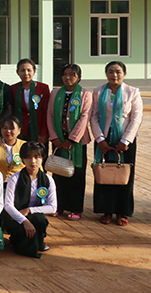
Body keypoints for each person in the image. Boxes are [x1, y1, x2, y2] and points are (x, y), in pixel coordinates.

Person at [90, 61, 142, 226]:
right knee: (104, 175)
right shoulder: (98, 92)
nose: (114, 75)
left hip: (125, 142)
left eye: (118, 72)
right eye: (111, 72)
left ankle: (122, 212)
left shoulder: (132, 92)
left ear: (124, 74)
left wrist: (125, 140)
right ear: (106, 74)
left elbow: (136, 118)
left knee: (124, 176)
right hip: (104, 142)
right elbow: (94, 116)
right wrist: (100, 139)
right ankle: (106, 211)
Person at [47, 63, 92, 220]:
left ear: (78, 77)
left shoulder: (85, 94)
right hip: (58, 141)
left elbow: (84, 117)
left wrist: (72, 139)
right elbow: (50, 115)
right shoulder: (55, 93)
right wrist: (54, 137)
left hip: (77, 143)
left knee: (76, 175)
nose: (68, 77)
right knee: (59, 173)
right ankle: (58, 206)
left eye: (72, 74)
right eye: (65, 74)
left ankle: (75, 208)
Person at [4, 141, 57, 258]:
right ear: (22, 159)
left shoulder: (48, 180)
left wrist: (29, 210)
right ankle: (22, 242)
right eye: (28, 157)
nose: (33, 161)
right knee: (20, 232)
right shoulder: (14, 179)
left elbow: (53, 207)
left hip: (33, 214)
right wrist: (25, 221)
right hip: (16, 216)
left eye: (37, 157)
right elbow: (8, 205)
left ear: (42, 158)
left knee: (39, 219)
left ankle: (37, 241)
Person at [11, 58, 51, 146]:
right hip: (20, 129)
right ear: (17, 72)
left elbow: (46, 112)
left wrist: (44, 133)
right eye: (22, 70)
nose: (26, 73)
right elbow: (12, 111)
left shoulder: (43, 88)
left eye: (29, 70)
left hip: (38, 129)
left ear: (34, 71)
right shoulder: (13, 89)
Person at [0, 115, 25, 182]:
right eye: (5, 128)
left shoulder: (25, 146)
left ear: (19, 131)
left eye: (11, 128)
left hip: (19, 183)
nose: (8, 131)